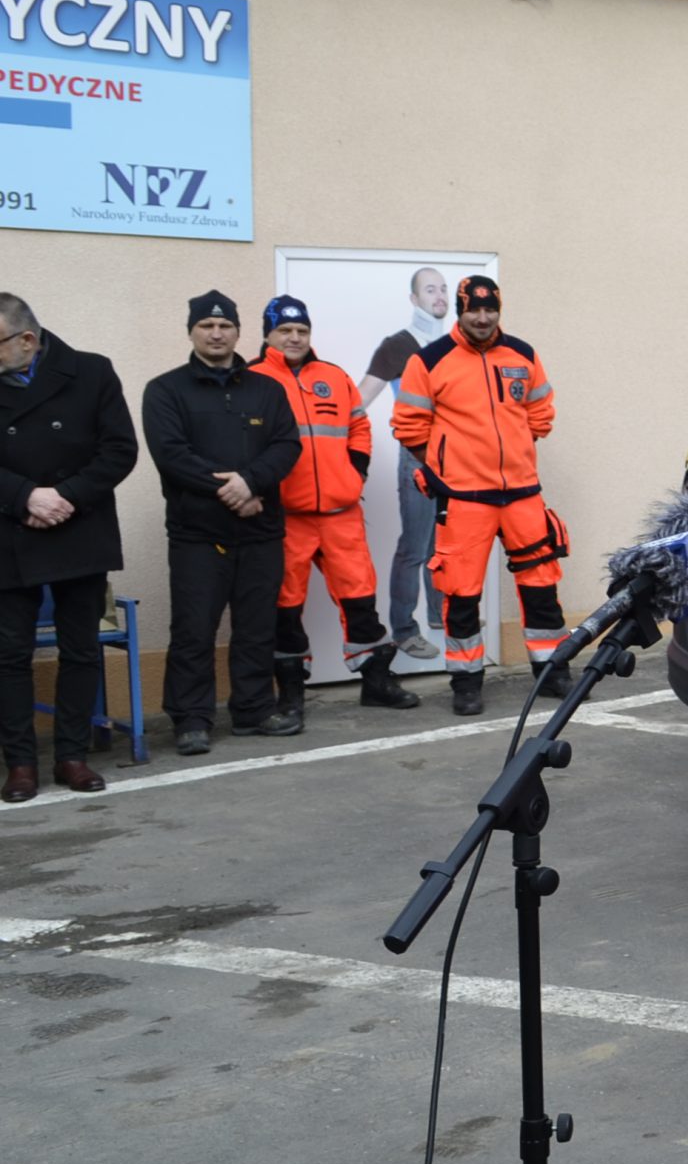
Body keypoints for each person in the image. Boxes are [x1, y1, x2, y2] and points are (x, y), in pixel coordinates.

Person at [389, 275, 567, 717]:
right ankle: (466, 682)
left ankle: (552, 671)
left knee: (541, 583)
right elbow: (409, 425)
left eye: (491, 310)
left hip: (523, 494)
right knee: (461, 592)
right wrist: (443, 469)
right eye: (474, 310)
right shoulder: (430, 360)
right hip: (465, 498)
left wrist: (516, 451)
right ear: (459, 310)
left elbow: (541, 413)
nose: (483, 318)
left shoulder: (522, 355)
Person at [141, 291, 306, 754]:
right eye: (206, 326)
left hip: (260, 531)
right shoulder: (165, 390)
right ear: (191, 332)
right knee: (194, 629)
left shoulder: (267, 389)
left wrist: (251, 481)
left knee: (256, 627)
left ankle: (253, 710)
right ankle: (191, 719)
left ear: (238, 332)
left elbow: (286, 446)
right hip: (197, 535)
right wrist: (234, 494)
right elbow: (172, 456)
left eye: (225, 326)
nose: (216, 333)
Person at [250, 296, 419, 715]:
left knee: (360, 597)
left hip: (341, 513)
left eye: (301, 331)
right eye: (284, 331)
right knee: (285, 606)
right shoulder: (251, 380)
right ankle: (290, 692)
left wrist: (353, 472)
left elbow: (358, 425)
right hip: (285, 516)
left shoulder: (334, 377)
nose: (294, 338)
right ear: (268, 335)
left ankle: (376, 681)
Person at [0, 294, 138, 801]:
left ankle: (72, 756)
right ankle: (19, 764)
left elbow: (120, 449)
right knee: (9, 655)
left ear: (27, 341)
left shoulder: (92, 372)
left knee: (80, 651)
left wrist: (66, 495)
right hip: (10, 531)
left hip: (80, 528)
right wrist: (24, 496)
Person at [360, 266, 447, 659]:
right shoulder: (397, 345)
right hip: (415, 457)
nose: (439, 296)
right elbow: (358, 401)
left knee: (439, 543)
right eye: (430, 289)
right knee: (414, 546)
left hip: (453, 460)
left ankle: (438, 616)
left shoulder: (455, 345)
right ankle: (403, 629)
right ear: (414, 299)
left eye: (444, 289)